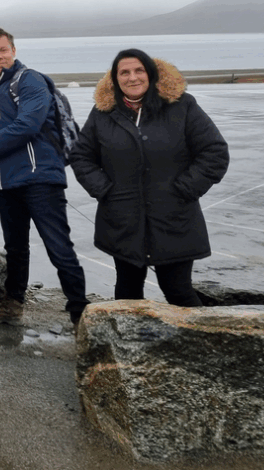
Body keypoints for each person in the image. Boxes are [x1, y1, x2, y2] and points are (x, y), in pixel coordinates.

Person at [70, 50, 229, 306]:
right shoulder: (103, 113)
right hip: (122, 220)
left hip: (174, 219)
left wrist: (185, 189)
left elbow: (215, 152)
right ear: (115, 78)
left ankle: (198, 344)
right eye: (124, 72)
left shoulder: (182, 106)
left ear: (150, 74)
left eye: (138, 71)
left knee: (177, 290)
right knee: (127, 291)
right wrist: (105, 191)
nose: (132, 78)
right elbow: (81, 156)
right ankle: (130, 346)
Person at [0, 27, 88, 326]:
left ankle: (81, 314)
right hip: (5, 183)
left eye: (3, 49)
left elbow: (29, 123)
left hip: (40, 180)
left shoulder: (30, 80)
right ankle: (13, 305)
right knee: (15, 248)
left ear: (13, 50)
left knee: (58, 247)